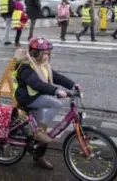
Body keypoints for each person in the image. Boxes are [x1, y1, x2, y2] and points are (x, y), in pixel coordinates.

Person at [12, 37, 77, 170]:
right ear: (35, 53)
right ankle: (39, 132)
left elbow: (57, 77)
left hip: (36, 97)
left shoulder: (42, 63)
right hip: (27, 98)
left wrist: (73, 85)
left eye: (47, 52)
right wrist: (56, 91)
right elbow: (37, 84)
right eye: (44, 52)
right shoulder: (25, 66)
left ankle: (38, 158)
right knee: (56, 104)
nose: (46, 55)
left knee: (45, 132)